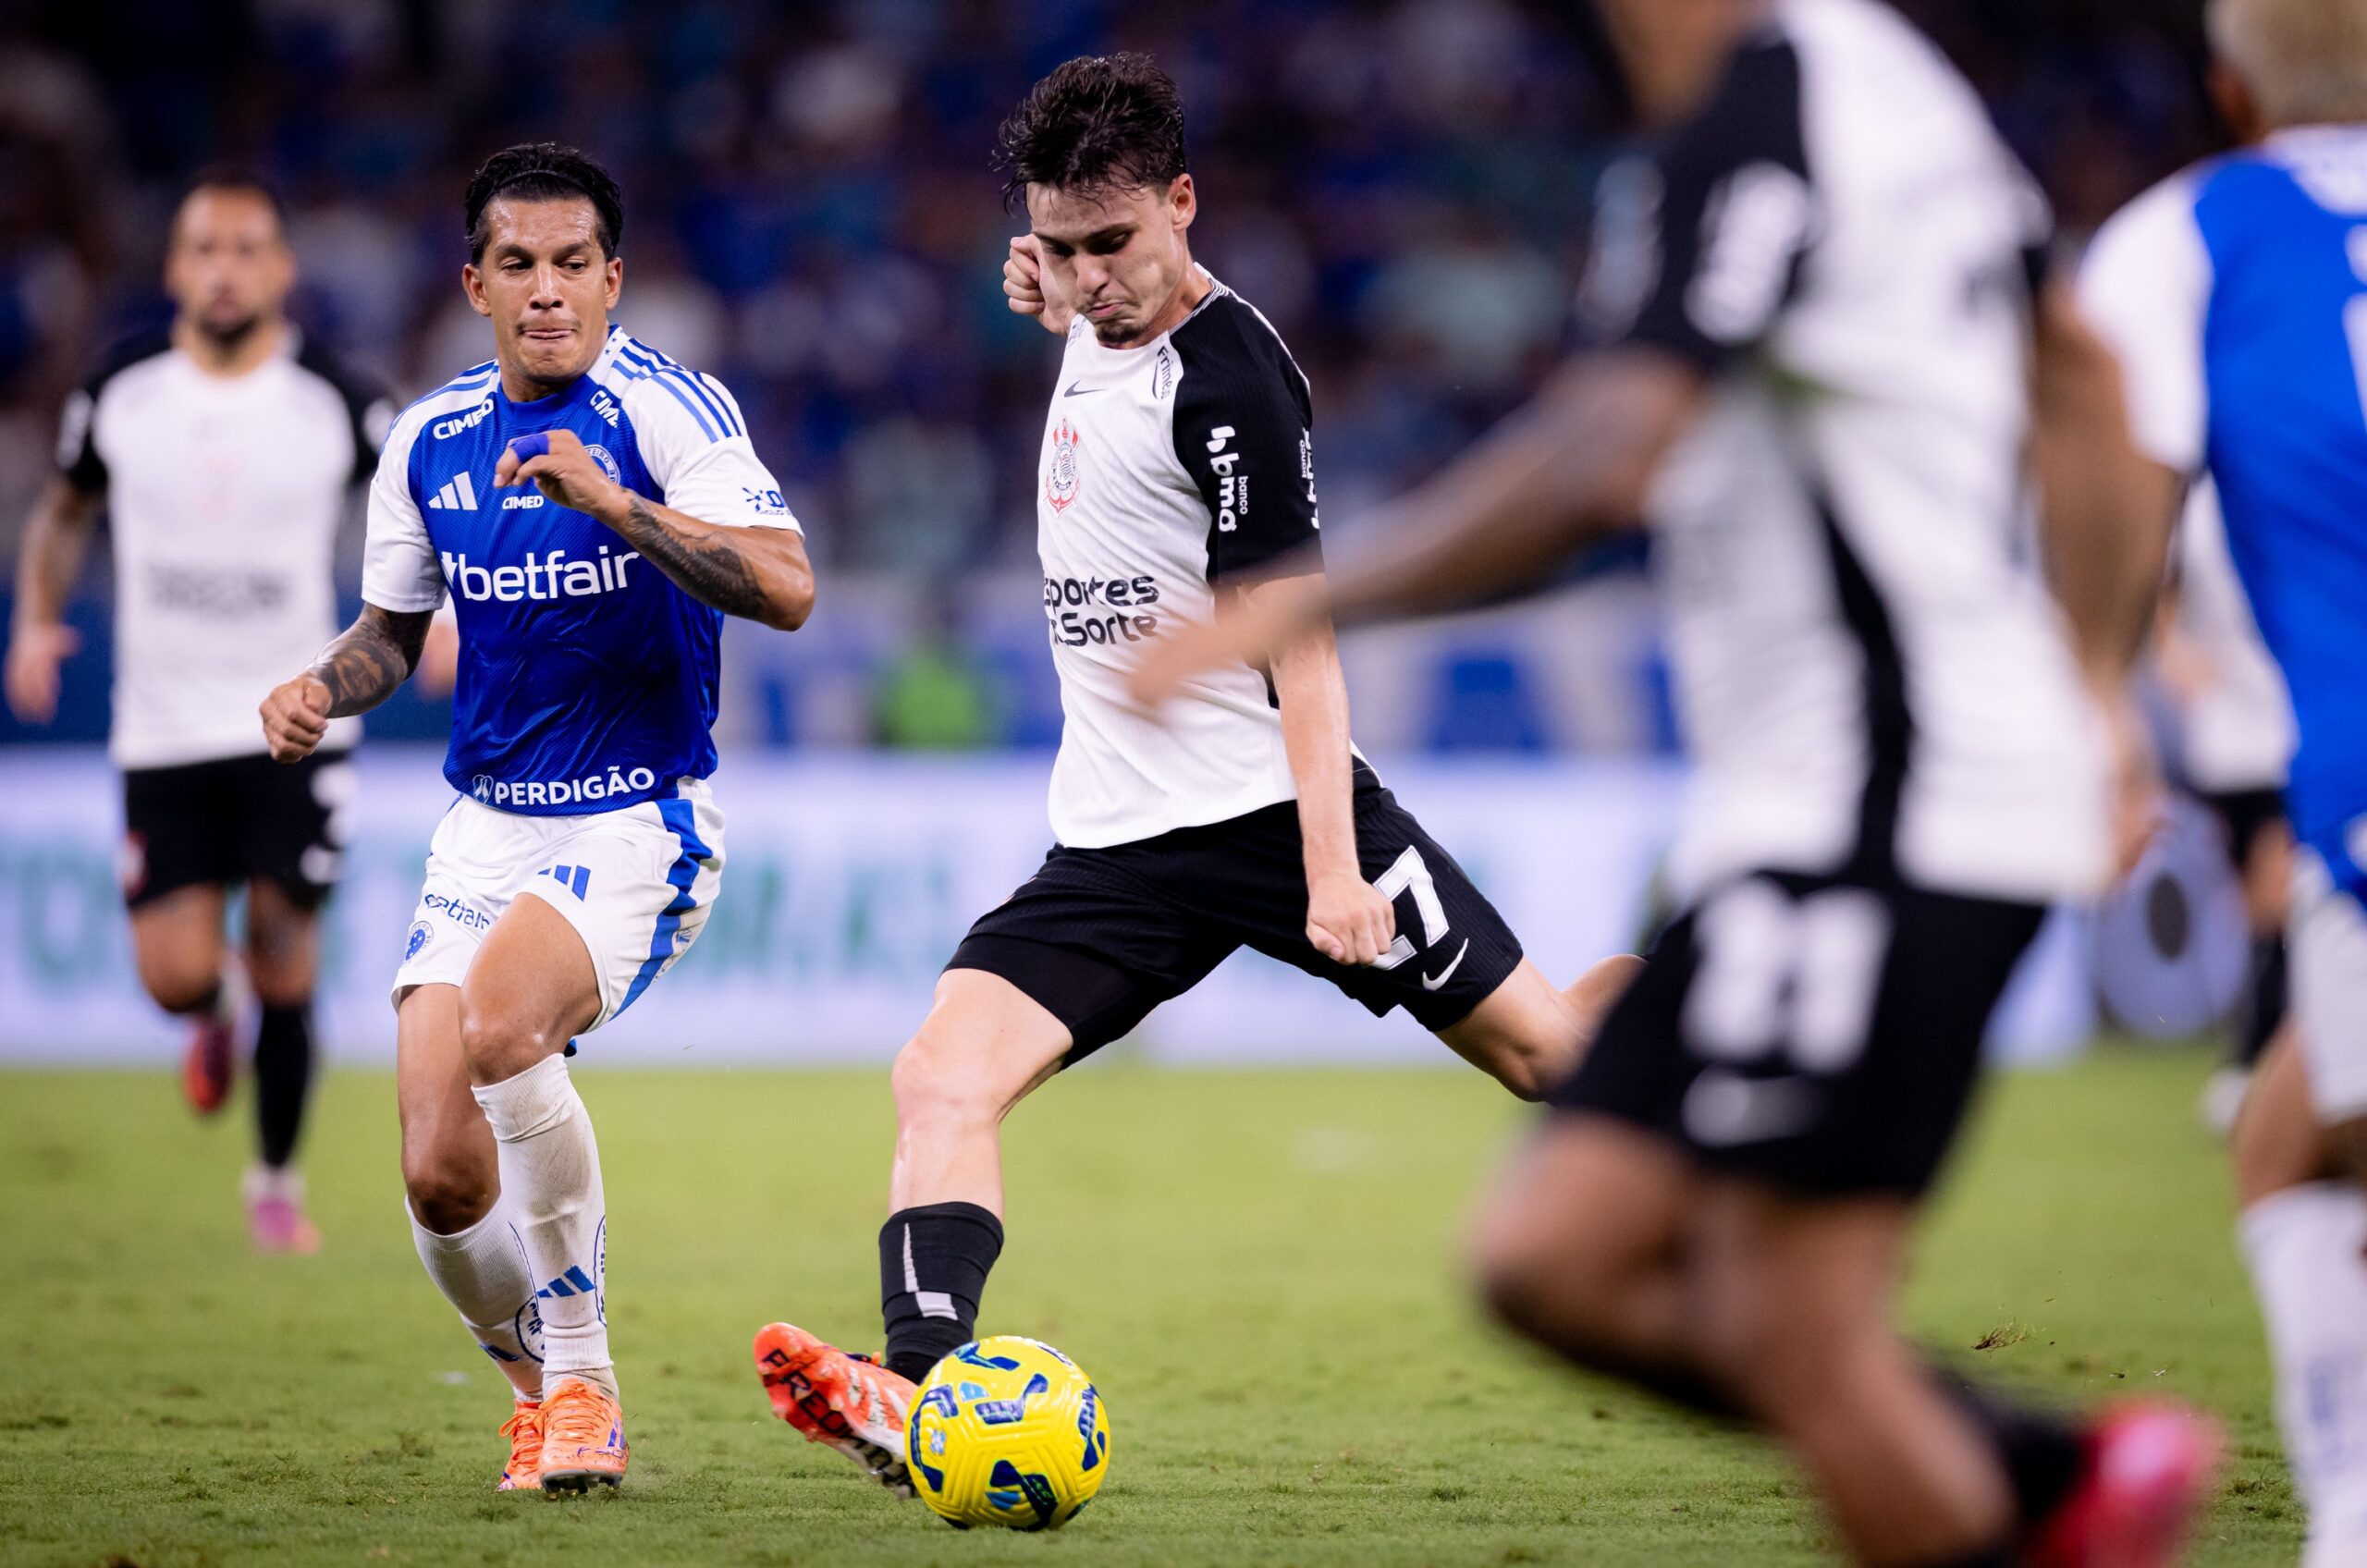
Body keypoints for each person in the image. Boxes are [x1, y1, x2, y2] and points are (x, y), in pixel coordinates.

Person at [1133, 1, 2225, 1563]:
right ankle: (2053, 1478)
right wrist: (2096, 692)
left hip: (1888, 809)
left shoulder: (1764, 104)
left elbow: (1606, 461)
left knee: (1783, 1318)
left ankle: (2046, 1497)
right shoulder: (1890, 90)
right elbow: (2088, 384)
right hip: (1832, 809)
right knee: (1557, 1261)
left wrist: (1296, 601)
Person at [747, 53, 1637, 1496]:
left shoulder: (1231, 384)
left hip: (1281, 815)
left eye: (1117, 245)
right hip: (1114, 845)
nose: (1090, 278)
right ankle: (913, 1391)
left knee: (1554, 1065)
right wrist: (1044, 286)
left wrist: (1334, 870)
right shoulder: (1080, 296)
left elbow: (1304, 642)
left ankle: (1674, 1016)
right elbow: (1063, 296)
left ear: (1184, 204)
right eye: (1060, 248)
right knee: (942, 1075)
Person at [258, 142, 814, 1495]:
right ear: (475, 284)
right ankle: (533, 1390)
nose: (549, 290)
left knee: (505, 1023)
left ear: (615, 282)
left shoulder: (669, 410)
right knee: (439, 1173)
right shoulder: (428, 441)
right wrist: (322, 687)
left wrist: (617, 505)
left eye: (575, 265)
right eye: (520, 265)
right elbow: (395, 632)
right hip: (485, 827)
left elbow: (790, 588)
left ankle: (587, 1389)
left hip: (640, 812)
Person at [2079, 0, 2367, 1557]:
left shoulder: (2194, 233)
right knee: (2290, 1124)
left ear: (2231, 90)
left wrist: (2095, 712)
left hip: (2357, 763)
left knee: (2307, 1133)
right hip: (2323, 772)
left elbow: (2118, 483)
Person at [5, 169, 391, 1253]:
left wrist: (432, 614)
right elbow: (63, 512)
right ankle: (210, 1015)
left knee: (286, 952)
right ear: (176, 268)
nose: (223, 269)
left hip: (299, 717)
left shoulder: (339, 398)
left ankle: (274, 1184)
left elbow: (417, 507)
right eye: (204, 249)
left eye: (245, 249)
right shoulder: (121, 390)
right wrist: (35, 621)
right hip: (163, 725)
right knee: (176, 976)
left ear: (281, 269)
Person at [2146, 484, 2294, 1131]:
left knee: (2284, 904)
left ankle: (2251, 1064)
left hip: (2299, 737)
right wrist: (2171, 655)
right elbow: (2155, 586)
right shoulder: (2199, 506)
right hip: (2227, 745)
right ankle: (2262, 1070)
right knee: (2262, 918)